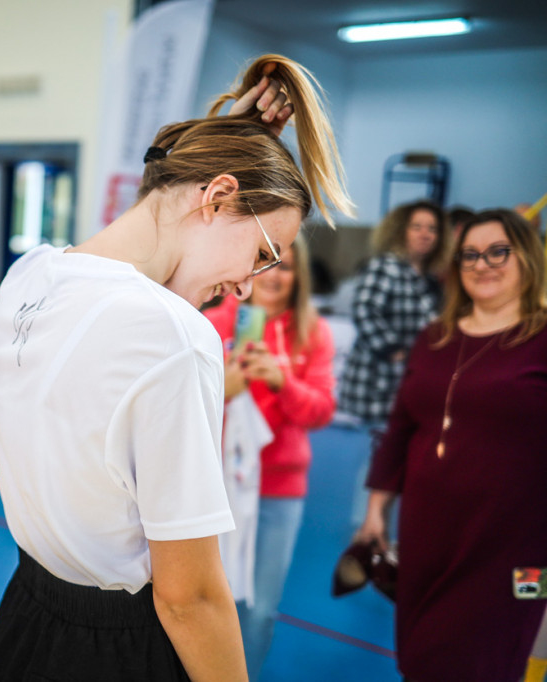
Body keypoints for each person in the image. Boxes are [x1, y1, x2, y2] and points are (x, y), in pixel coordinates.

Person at [0, 54, 354, 681]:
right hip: (121, 649)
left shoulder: (33, 272)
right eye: (262, 255)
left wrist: (211, 144)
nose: (245, 287)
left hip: (27, 615)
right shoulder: (178, 336)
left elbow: (135, 243)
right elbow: (191, 597)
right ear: (218, 196)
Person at [357, 209, 547, 682]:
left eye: (498, 251)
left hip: (517, 547)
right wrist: (377, 508)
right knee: (420, 655)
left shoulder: (542, 338)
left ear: (527, 257)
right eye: (469, 255)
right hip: (427, 532)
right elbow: (401, 425)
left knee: (489, 658)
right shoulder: (435, 337)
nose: (482, 264)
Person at [203, 235, 336, 680]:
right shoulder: (213, 323)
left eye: (285, 267)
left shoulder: (312, 332)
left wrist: (283, 382)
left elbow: (320, 411)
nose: (274, 276)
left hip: (279, 490)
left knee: (259, 610)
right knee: (211, 599)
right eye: (265, 262)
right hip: (215, 487)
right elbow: (180, 406)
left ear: (298, 277)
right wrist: (223, 389)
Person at [338, 200, 450, 523]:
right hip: (380, 380)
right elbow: (364, 309)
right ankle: (367, 527)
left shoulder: (427, 278)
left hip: (406, 381)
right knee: (381, 456)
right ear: (401, 231)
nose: (425, 234)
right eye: (417, 226)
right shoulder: (387, 266)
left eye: (432, 228)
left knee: (391, 454)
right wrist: (394, 351)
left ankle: (378, 523)